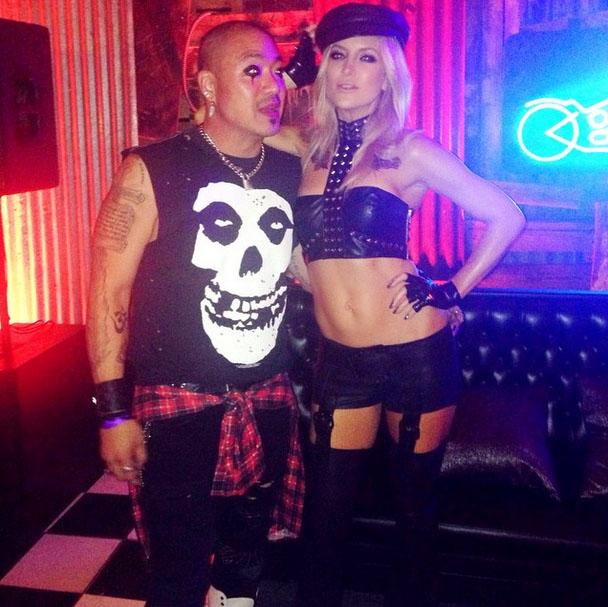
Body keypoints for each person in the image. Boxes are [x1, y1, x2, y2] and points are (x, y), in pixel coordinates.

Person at [276, 3, 526, 607]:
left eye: (366, 58)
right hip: (341, 360)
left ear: (388, 74)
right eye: (338, 56)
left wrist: (451, 289)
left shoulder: (408, 150)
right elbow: (245, 124)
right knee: (326, 516)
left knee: (413, 511)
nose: (348, 70)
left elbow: (506, 216)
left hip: (417, 353)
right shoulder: (303, 150)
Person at [85, 20, 305, 607]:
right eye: (252, 71)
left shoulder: (290, 170)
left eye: (276, 71)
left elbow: (309, 268)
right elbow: (108, 294)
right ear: (208, 86)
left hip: (268, 399)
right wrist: (112, 412)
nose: (273, 85)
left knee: (244, 564)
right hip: (177, 407)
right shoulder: (151, 169)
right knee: (177, 572)